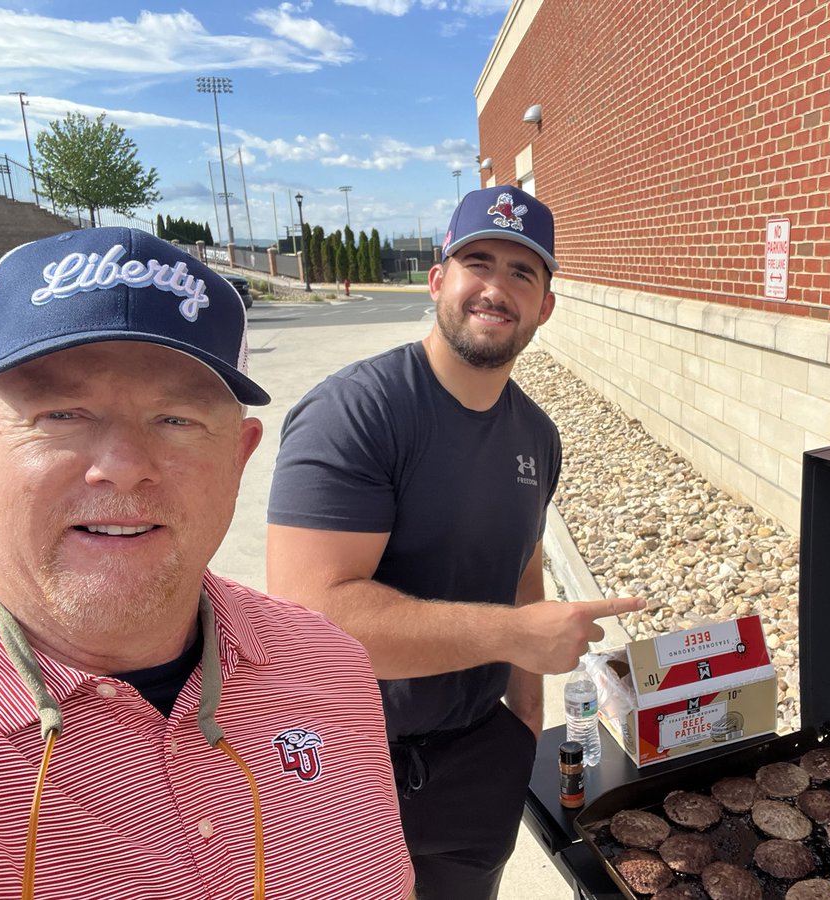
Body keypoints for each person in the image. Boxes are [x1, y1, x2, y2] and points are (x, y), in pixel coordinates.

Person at [0, 228, 414, 900]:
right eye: (64, 413)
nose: (123, 467)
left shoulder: (333, 668)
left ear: (239, 456)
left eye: (176, 419)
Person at [267, 185, 643, 899]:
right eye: (478, 263)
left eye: (521, 272)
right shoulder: (358, 412)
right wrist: (516, 637)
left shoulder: (536, 436)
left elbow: (523, 565)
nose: (496, 289)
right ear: (438, 279)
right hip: (347, 764)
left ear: (545, 307)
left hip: (478, 761)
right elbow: (312, 621)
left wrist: (525, 719)